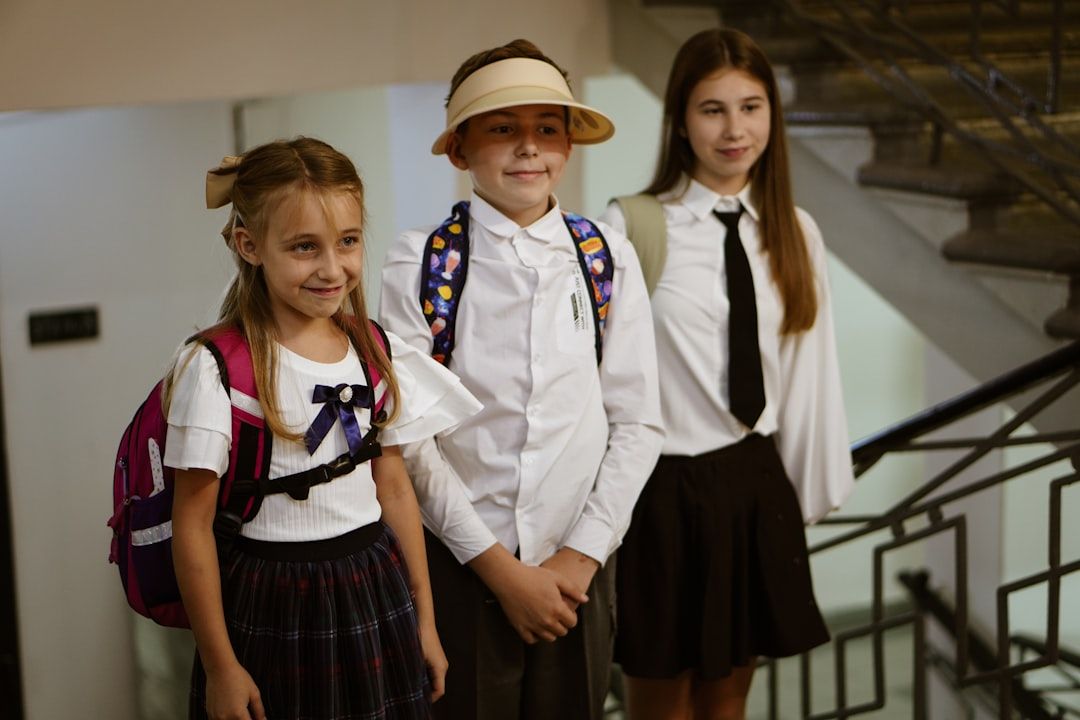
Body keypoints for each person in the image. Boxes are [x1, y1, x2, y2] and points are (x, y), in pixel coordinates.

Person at [379, 40, 664, 720]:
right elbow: (410, 439)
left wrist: (582, 556)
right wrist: (498, 570)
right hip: (463, 563)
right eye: (502, 128)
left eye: (547, 128)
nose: (528, 148)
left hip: (580, 570)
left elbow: (639, 419)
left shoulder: (604, 254)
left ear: (569, 144)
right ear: (460, 149)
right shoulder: (419, 261)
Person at [165, 137, 481, 720]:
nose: (333, 268)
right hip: (273, 598)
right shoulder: (215, 370)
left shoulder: (373, 346)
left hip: (374, 586)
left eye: (349, 241)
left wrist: (426, 621)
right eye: (304, 247)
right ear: (249, 245)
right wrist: (221, 667)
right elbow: (193, 527)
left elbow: (394, 489)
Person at [598, 28, 856, 720]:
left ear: (772, 113)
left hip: (752, 483)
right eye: (713, 109)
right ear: (680, 121)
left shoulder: (794, 230)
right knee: (660, 704)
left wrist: (795, 504)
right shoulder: (630, 226)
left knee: (728, 706)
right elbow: (595, 379)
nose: (735, 129)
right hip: (661, 491)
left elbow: (810, 372)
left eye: (751, 106)